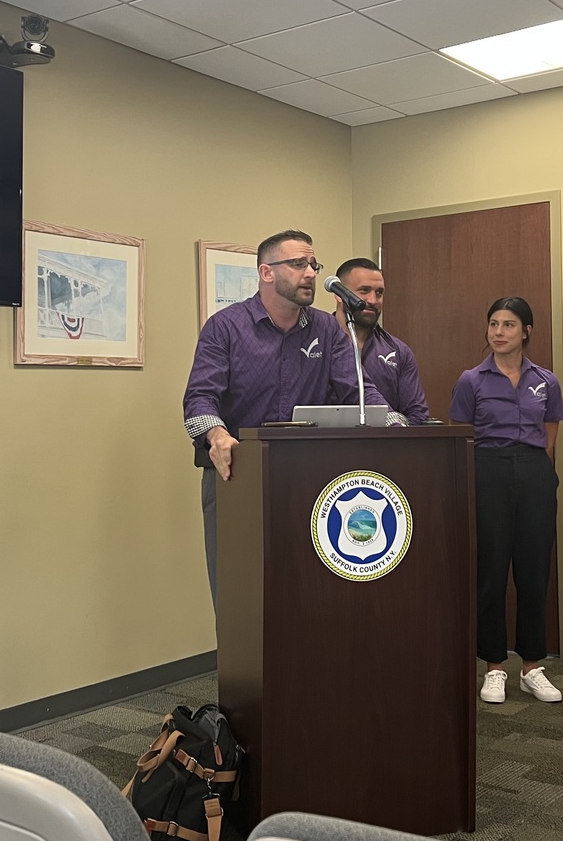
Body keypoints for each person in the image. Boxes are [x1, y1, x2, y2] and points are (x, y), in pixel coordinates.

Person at [183, 230, 393, 608]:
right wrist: (216, 435)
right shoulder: (226, 327)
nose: (310, 273)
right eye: (298, 264)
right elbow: (199, 398)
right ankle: (239, 669)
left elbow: (358, 392)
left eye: (313, 264)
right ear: (266, 272)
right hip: (237, 474)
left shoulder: (328, 329)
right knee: (238, 591)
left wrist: (395, 423)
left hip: (307, 476)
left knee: (305, 588)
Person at [450, 296, 563, 706]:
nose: (498, 332)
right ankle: (494, 666)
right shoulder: (471, 380)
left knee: (534, 572)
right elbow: (461, 436)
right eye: (493, 324)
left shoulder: (546, 381)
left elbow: (549, 434)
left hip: (534, 473)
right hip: (488, 472)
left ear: (527, 331)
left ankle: (532, 666)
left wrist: (531, 470)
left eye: (509, 325)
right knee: (492, 571)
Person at [328, 257, 430, 425]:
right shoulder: (319, 342)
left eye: (379, 293)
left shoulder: (398, 351)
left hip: (383, 446)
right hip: (323, 446)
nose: (373, 300)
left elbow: (417, 414)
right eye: (364, 290)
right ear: (339, 294)